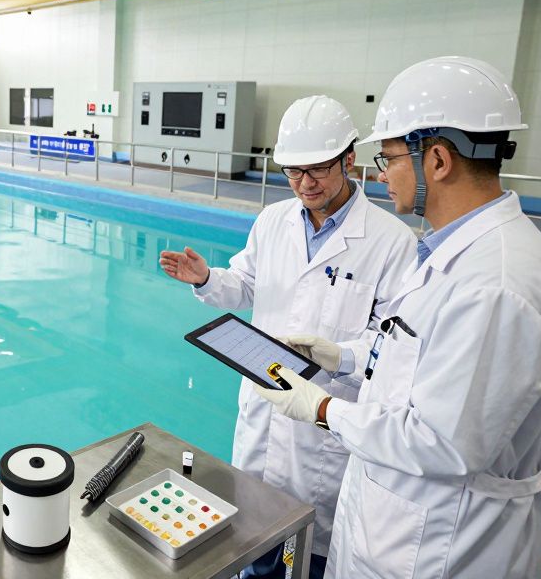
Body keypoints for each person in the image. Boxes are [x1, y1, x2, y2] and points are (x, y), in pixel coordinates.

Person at [256, 56, 541, 578]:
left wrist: (321, 409)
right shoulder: (452, 254)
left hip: (445, 543)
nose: (381, 176)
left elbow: (442, 442)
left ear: (438, 161)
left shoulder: (496, 285)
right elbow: (415, 362)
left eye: (388, 160)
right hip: (400, 523)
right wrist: (345, 356)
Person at [160, 95, 416, 578]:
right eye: (293, 172)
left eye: (317, 170)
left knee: (312, 555)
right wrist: (206, 279)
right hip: (264, 408)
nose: (304, 184)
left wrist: (340, 355)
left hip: (326, 426)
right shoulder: (273, 221)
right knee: (252, 541)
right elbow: (247, 283)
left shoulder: (390, 242)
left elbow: (392, 348)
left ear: (348, 159)